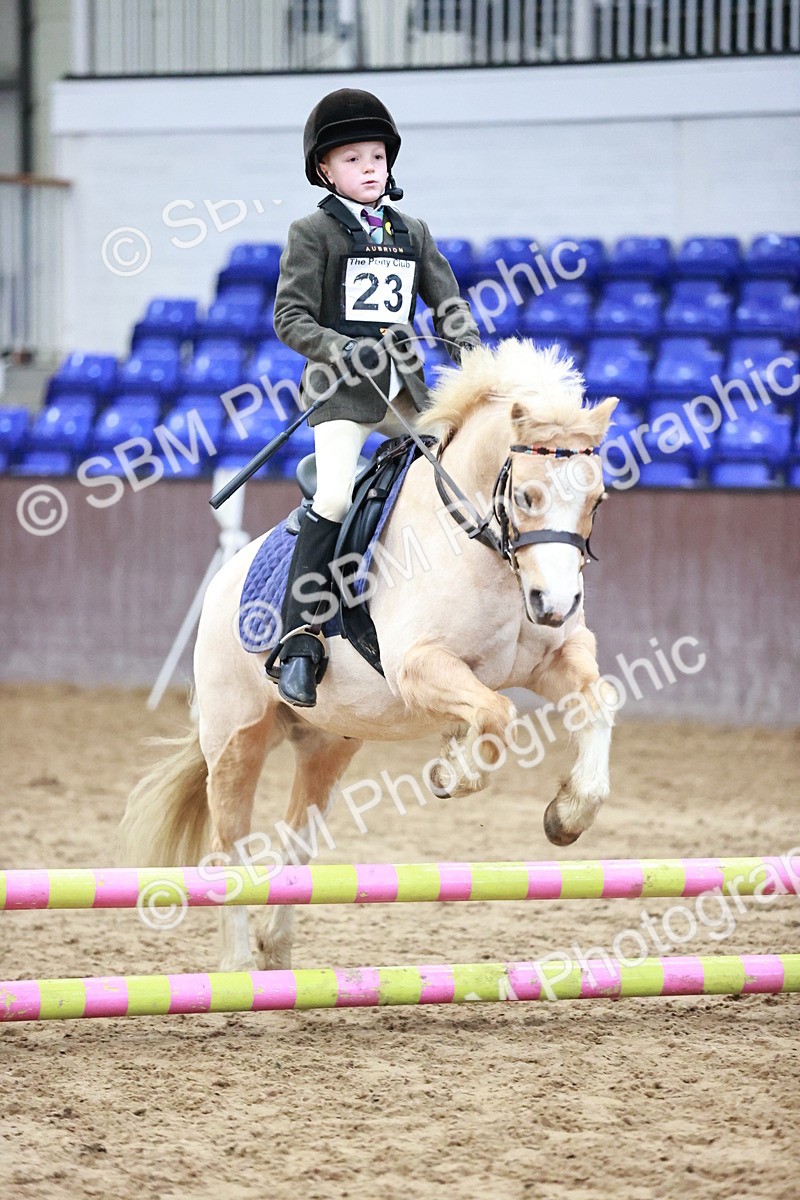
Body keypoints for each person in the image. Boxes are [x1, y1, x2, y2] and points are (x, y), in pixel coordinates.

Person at [272, 87, 480, 708]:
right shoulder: (312, 232)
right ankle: (301, 637)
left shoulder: (411, 231)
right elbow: (290, 316)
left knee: (458, 484)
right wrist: (340, 348)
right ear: (324, 170)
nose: (369, 168)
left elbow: (446, 304)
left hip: (409, 393)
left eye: (376, 157)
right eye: (353, 159)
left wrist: (469, 351)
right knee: (335, 494)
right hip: (343, 394)